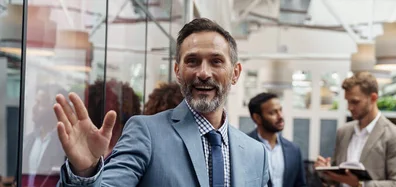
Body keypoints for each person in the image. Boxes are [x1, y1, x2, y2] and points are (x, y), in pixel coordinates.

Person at [52, 18, 270, 187]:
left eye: (216, 61)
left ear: (235, 73)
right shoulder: (146, 134)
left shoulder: (256, 154)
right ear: (177, 71)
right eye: (192, 61)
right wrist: (85, 172)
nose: (203, 73)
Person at [314, 72, 396, 187]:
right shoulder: (344, 132)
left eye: (355, 102)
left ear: (373, 98)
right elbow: (337, 181)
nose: (350, 107)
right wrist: (325, 171)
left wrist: (361, 185)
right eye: (348, 101)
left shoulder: (395, 136)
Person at [246, 93, 307, 187]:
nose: (280, 116)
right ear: (257, 118)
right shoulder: (243, 147)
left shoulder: (294, 149)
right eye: (272, 113)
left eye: (280, 110)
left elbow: (300, 184)